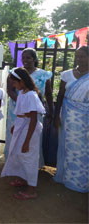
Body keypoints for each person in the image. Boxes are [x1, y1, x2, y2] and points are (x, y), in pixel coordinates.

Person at [1, 67, 45, 200]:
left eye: (15, 83)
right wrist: (16, 125)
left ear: (22, 81)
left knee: (28, 157)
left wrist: (27, 141)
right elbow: (23, 114)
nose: (13, 86)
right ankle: (25, 179)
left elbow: (33, 119)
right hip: (23, 127)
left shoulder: (31, 95)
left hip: (29, 131)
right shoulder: (23, 93)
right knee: (20, 154)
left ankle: (31, 189)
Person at [5, 48, 53, 167]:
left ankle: (30, 166)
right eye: (23, 57)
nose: (25, 60)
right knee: (15, 135)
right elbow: (10, 90)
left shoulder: (43, 75)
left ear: (35, 59)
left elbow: (48, 94)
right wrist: (21, 103)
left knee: (31, 137)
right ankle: (14, 165)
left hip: (34, 111)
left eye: (28, 57)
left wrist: (51, 110)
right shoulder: (15, 72)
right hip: (16, 111)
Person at [53, 46, 89, 193]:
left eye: (82, 56)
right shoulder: (67, 74)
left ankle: (80, 181)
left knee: (83, 149)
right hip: (67, 115)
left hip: (84, 119)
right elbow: (60, 96)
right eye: (77, 56)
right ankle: (64, 177)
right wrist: (56, 116)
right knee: (66, 146)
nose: (79, 59)